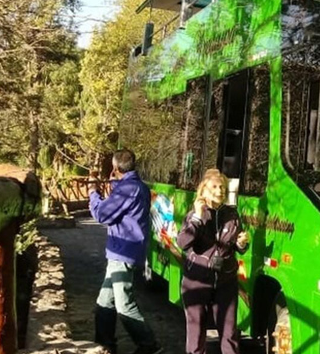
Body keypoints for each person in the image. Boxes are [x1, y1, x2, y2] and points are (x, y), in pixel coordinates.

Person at [90, 149, 161, 354]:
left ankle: (148, 345)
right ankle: (105, 344)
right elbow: (121, 203)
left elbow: (102, 214)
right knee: (105, 301)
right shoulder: (137, 186)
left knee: (124, 305)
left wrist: (93, 192)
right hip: (124, 251)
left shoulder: (127, 189)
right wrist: (113, 184)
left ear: (115, 167)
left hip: (122, 252)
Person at [177, 169, 250, 354]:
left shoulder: (232, 214)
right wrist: (197, 217)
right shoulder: (195, 215)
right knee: (196, 333)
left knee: (229, 334)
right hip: (196, 281)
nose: (220, 191)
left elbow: (235, 246)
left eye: (223, 187)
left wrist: (242, 244)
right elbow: (183, 243)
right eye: (215, 187)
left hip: (225, 282)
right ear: (203, 191)